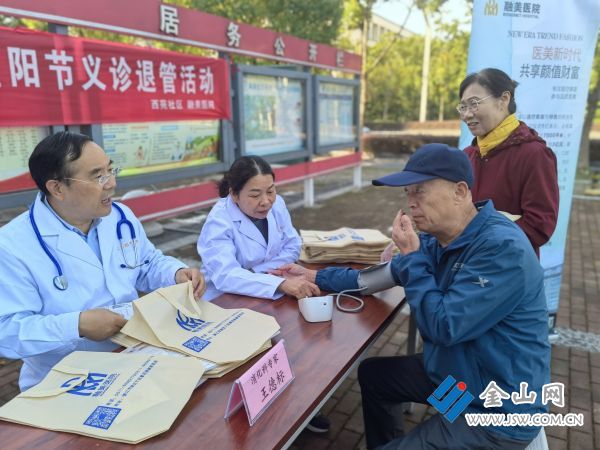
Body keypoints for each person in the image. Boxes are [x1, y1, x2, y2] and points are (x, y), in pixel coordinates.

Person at [274, 143, 550, 449]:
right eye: (407, 193)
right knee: (375, 376)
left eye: (420, 191)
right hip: (457, 377)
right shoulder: (438, 239)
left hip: (494, 410)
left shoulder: (501, 248)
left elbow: (443, 326)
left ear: (460, 192)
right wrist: (314, 275)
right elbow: (371, 279)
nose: (411, 203)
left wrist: (412, 258)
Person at [0, 131, 205, 391]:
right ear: (57, 188)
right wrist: (77, 325)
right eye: (98, 176)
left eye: (110, 170)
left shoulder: (119, 216)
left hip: (134, 356)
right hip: (66, 380)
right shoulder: (12, 245)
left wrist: (175, 273)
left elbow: (146, 262)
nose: (111, 183)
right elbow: (8, 330)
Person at [459, 67, 559, 257]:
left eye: (474, 104)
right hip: (466, 263)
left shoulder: (534, 154)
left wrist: (479, 239)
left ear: (504, 99)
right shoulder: (468, 155)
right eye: (463, 107)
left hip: (508, 265)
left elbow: (540, 225)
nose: (467, 115)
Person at [197, 155, 319, 301]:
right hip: (224, 298)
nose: (266, 202)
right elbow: (226, 275)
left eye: (270, 191)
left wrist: (257, 272)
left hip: (270, 290)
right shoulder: (219, 221)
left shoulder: (277, 204)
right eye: (255, 195)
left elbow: (293, 245)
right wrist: (278, 283)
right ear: (234, 195)